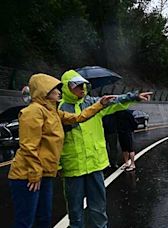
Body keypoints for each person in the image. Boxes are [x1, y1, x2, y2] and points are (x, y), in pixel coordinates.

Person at [7, 73, 114, 228]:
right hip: (27, 176)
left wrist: (100, 104)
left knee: (44, 219)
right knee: (25, 221)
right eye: (55, 89)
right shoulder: (33, 112)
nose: (59, 91)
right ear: (44, 91)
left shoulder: (53, 112)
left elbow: (79, 117)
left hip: (44, 174)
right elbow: (29, 146)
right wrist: (35, 174)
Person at [58, 70, 152, 228]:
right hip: (73, 168)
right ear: (67, 87)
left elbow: (113, 101)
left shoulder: (93, 103)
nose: (82, 89)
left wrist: (134, 96)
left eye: (84, 85)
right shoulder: (59, 109)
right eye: (77, 86)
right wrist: (58, 165)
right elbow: (55, 140)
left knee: (98, 209)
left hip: (95, 165)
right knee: (75, 212)